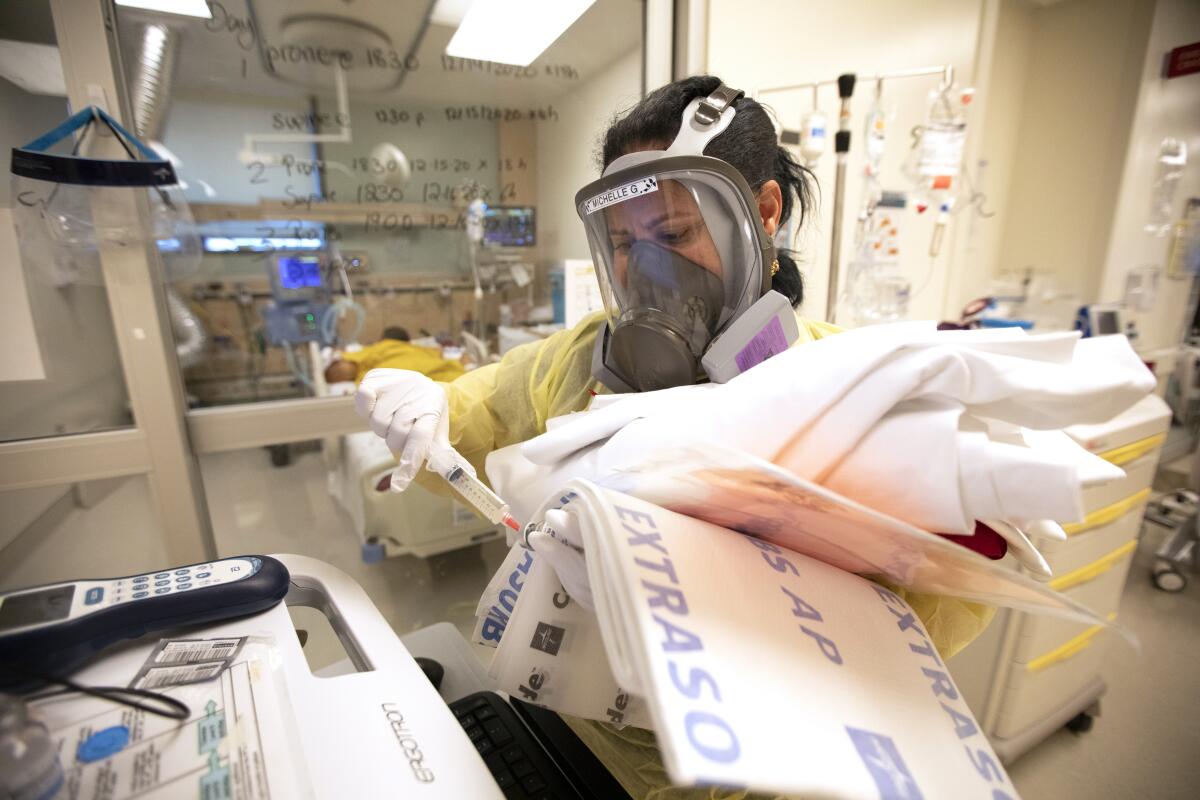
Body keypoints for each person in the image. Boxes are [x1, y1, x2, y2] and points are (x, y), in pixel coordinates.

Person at [355, 76, 993, 799]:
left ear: (763, 211)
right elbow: (479, 418)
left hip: (756, 778)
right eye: (623, 242)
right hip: (569, 729)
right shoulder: (578, 359)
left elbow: (930, 613)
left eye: (674, 235)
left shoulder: (849, 392)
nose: (643, 269)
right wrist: (426, 407)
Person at [324, 326, 465, 384]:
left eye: (336, 369)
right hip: (446, 376)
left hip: (430, 362)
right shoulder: (365, 380)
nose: (338, 374)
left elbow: (394, 349)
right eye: (336, 377)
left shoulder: (373, 351)